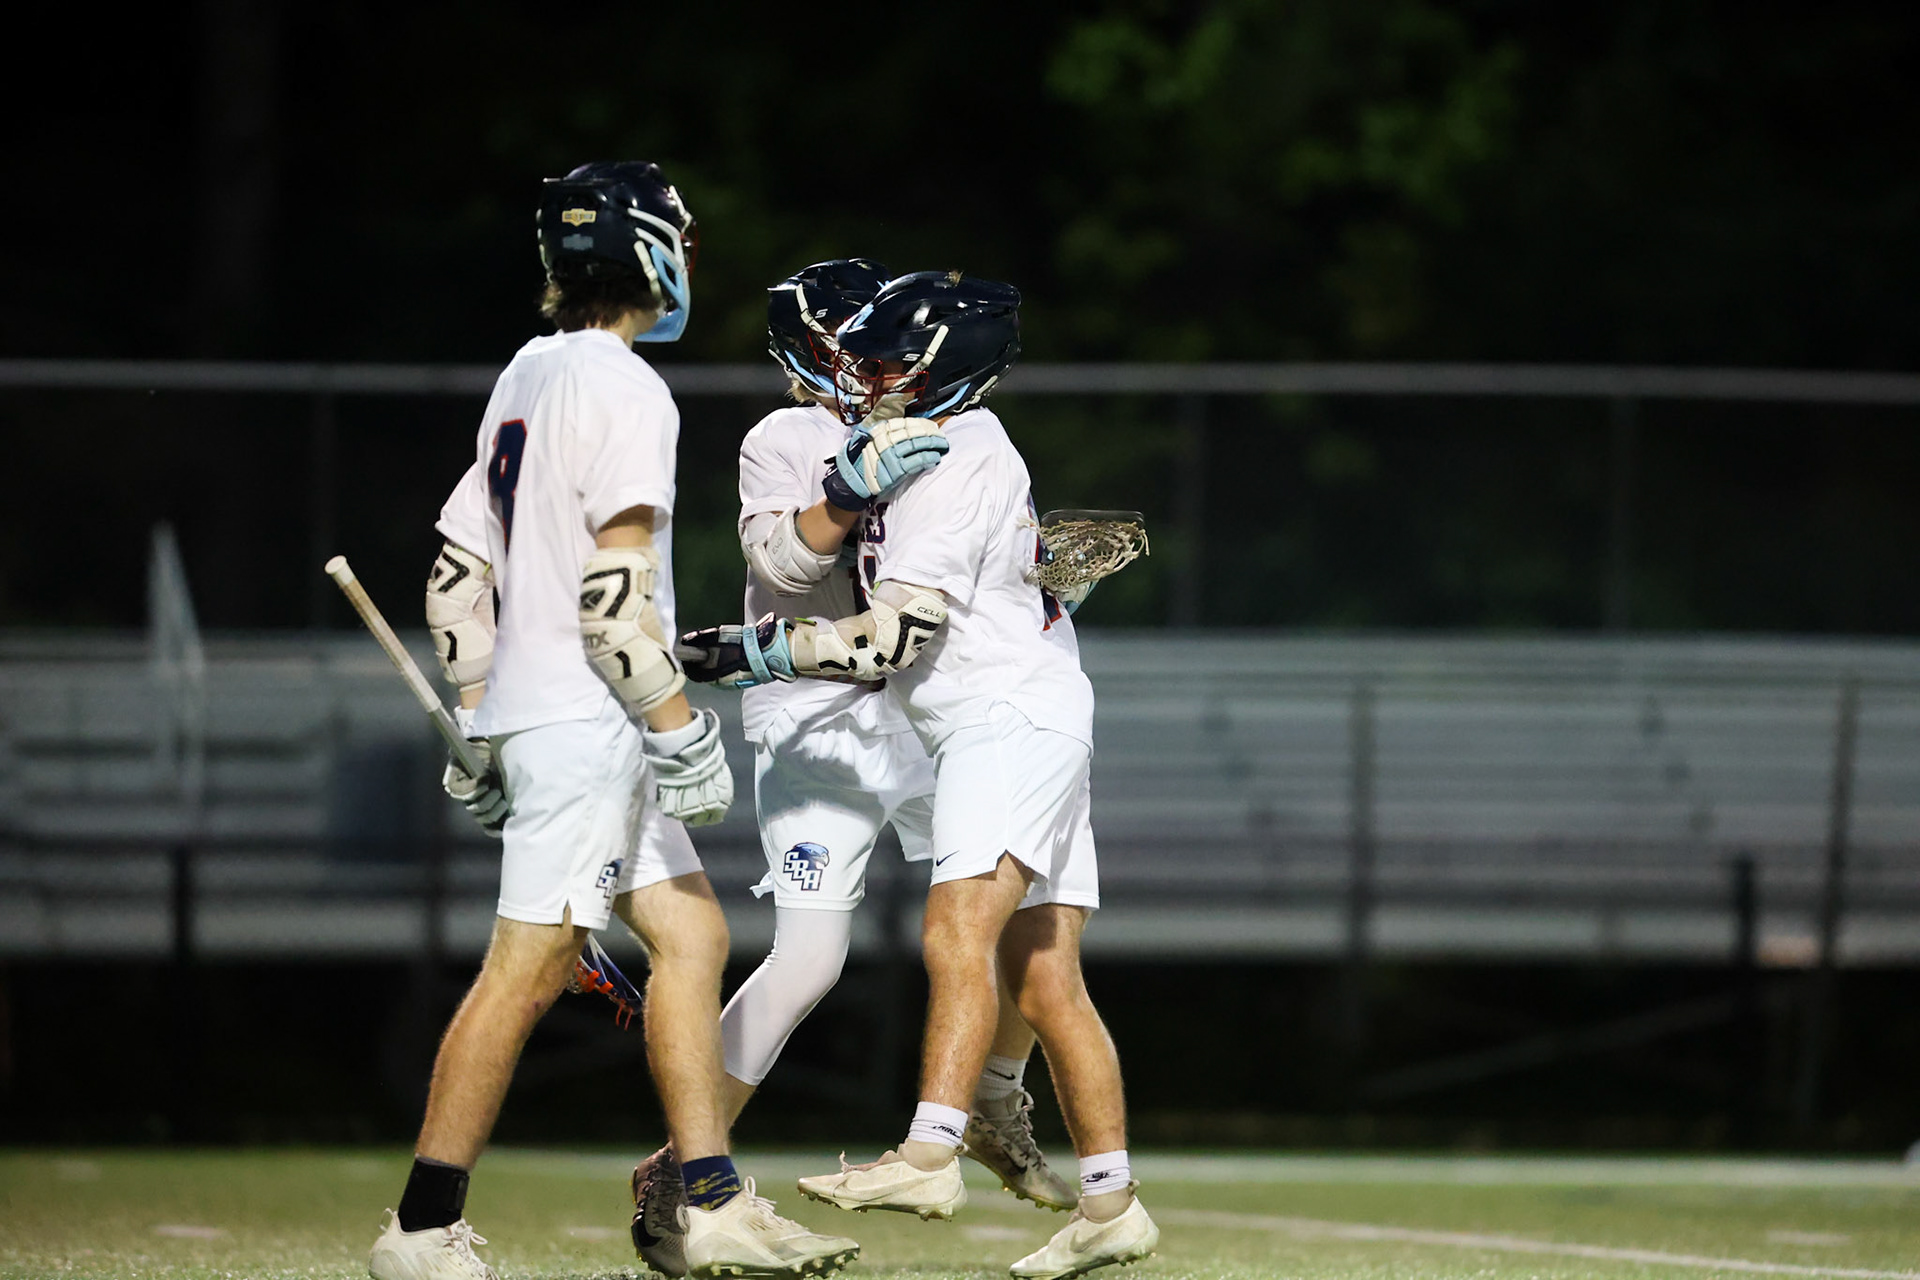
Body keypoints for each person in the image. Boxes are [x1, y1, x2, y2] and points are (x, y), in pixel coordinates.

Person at [368, 161, 857, 1280]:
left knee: (692, 937)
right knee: (529, 964)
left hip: (556, 716)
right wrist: (677, 726)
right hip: (597, 722)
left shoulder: (526, 371)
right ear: (649, 252)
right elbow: (610, 600)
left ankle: (706, 1203)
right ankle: (421, 1226)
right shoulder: (631, 389)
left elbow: (454, 579)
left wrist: (482, 719)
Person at [679, 271, 1160, 1279]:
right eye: (861, 356)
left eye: (889, 360)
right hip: (988, 709)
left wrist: (755, 650)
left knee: (957, 931)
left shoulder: (946, 455)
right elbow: (799, 562)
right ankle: (1108, 1200)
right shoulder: (887, 439)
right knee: (1043, 971)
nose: (870, 376)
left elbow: (896, 635)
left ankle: (934, 1148)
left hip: (985, 714)